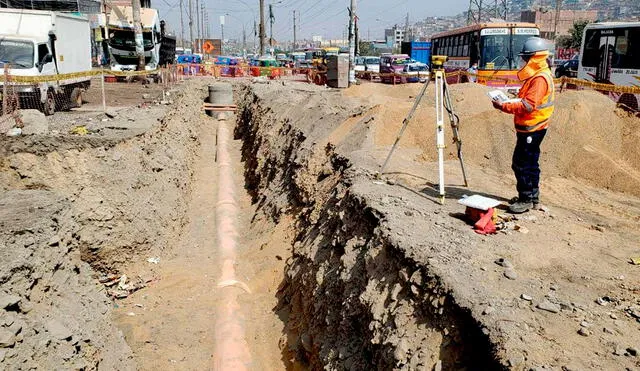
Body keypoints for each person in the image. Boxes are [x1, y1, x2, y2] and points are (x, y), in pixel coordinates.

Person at [492, 37, 555, 214]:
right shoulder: (538, 75)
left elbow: (528, 105)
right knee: (531, 162)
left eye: (526, 58)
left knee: (522, 163)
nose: (524, 62)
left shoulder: (540, 78)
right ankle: (532, 197)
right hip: (534, 126)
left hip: (533, 126)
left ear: (534, 58)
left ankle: (526, 198)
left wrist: (504, 105)